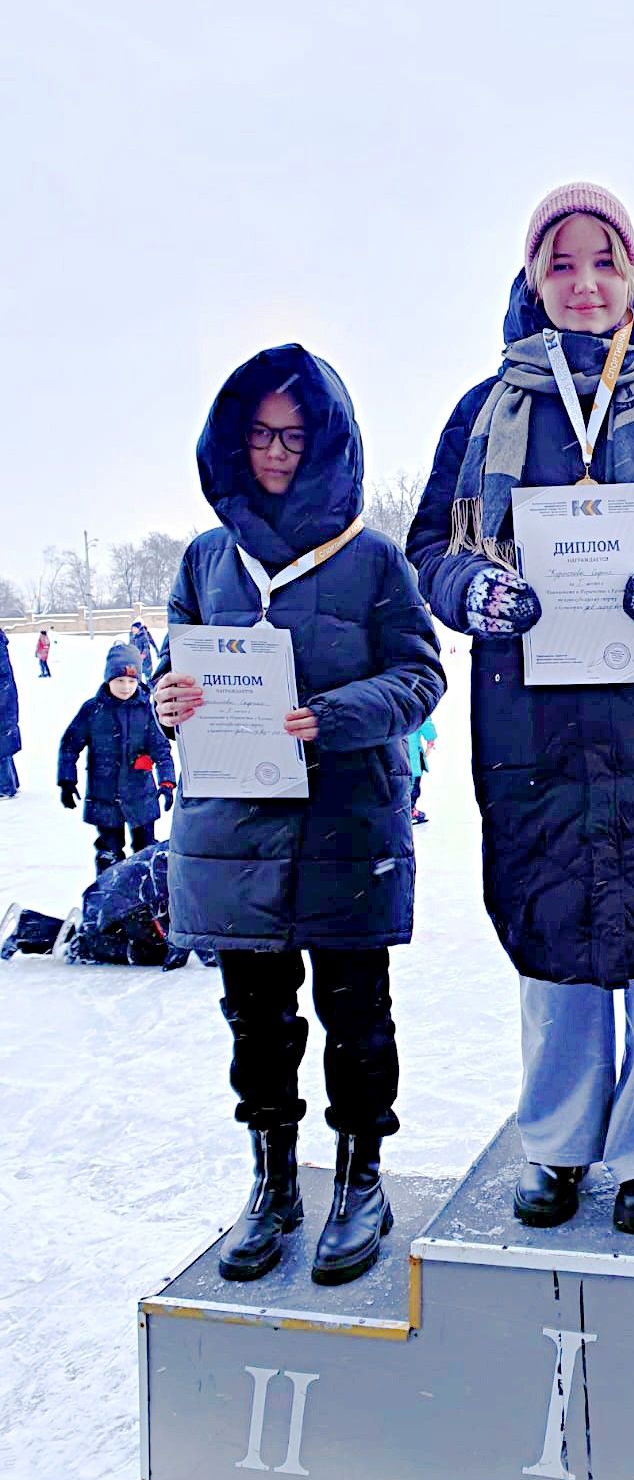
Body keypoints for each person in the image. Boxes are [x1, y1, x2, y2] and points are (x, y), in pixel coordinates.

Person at [407, 182, 634, 1235]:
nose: (583, 282)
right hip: (537, 723)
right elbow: (428, 548)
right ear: (533, 278)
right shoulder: (482, 413)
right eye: (560, 263)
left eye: (602, 261)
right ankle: (561, 1141)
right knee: (555, 928)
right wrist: (472, 590)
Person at [153, 344, 445, 1287]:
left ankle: (363, 1178)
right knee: (257, 1022)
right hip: (233, 832)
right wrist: (170, 701)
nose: (277, 454)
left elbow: (421, 676)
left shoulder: (371, 561)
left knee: (356, 1015)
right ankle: (273, 1183)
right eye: (260, 436)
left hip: (345, 826)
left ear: (328, 441)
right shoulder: (206, 561)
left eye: (294, 435)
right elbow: (179, 667)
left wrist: (334, 717)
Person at [0, 844, 217, 970]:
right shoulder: (192, 861)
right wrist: (201, 954)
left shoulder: (195, 846)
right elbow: (179, 911)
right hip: (121, 901)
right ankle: (44, 934)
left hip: (120, 894)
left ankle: (35, 928)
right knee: (149, 953)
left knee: (150, 944)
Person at [58, 642, 174, 874]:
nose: (125, 686)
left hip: (140, 793)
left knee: (145, 851)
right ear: (108, 679)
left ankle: (144, 899)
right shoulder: (93, 710)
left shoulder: (146, 710)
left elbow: (161, 749)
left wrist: (167, 782)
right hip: (104, 795)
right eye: (119, 680)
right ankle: (108, 897)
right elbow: (70, 746)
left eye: (131, 681)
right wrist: (67, 781)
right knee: (108, 852)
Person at [0, 627, 19, 798]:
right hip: (5, 699)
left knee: (1, 744)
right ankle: (12, 782)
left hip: (3, 700)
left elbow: (3, 675)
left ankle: (5, 788)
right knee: (3, 743)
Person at [407, 716, 436, 824]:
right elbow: (425, 721)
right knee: (413, 785)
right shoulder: (417, 703)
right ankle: (410, 810)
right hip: (412, 755)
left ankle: (403, 811)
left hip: (395, 754)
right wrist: (431, 738)